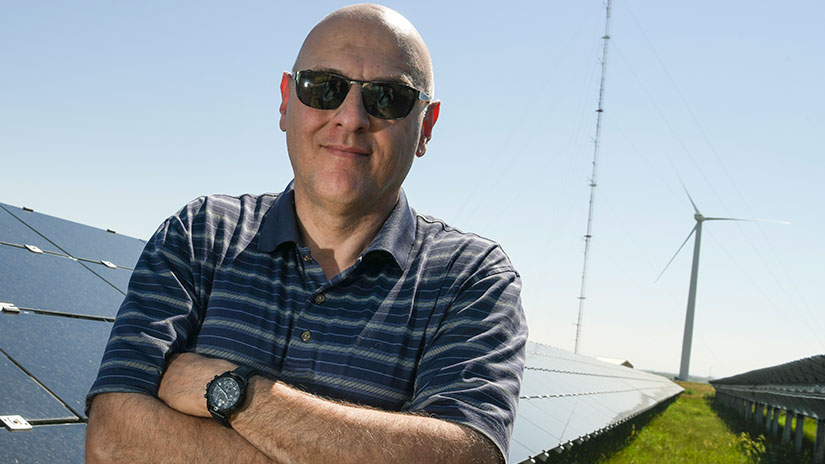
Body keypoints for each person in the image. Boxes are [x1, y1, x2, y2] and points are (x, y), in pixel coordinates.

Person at [85, 4, 528, 463]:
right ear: (286, 100)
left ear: (426, 127)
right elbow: (112, 442)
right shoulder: (200, 234)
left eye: (388, 97)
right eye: (324, 87)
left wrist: (234, 394)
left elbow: (464, 458)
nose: (351, 117)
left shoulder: (474, 281)